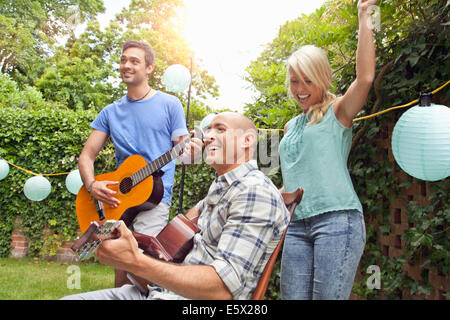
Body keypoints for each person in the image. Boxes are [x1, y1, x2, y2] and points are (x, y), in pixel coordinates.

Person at [63, 112, 290, 300]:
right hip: (161, 291)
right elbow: (170, 246)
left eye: (220, 129)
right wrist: (129, 241)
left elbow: (223, 289)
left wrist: (134, 260)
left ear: (247, 140)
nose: (208, 136)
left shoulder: (253, 191)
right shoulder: (222, 188)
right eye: (208, 130)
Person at [278, 0, 377, 300]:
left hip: (336, 221)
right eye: (295, 81)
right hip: (296, 225)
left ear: (321, 79)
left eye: (308, 80)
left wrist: (364, 18)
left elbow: (365, 78)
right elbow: (293, 178)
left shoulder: (338, 112)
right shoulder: (289, 127)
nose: (300, 88)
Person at [77, 40, 189, 287]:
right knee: (120, 267)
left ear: (149, 68)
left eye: (134, 61)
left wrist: (192, 151)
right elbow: (86, 156)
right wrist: (92, 185)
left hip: (155, 197)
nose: (126, 65)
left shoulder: (170, 104)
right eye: (123, 60)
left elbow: (185, 154)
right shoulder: (109, 112)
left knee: (142, 266)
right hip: (118, 198)